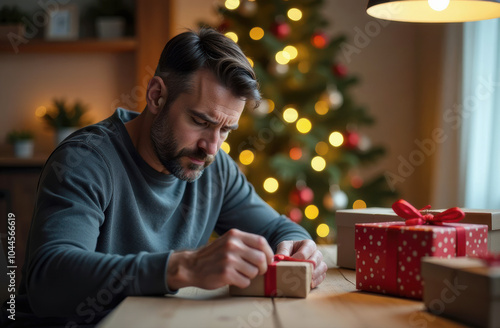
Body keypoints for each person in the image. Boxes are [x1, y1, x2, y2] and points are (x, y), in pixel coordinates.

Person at [2, 28, 327, 327]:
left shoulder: (215, 167)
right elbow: (50, 279)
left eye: (225, 130)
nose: (211, 147)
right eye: (200, 121)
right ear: (157, 96)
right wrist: (182, 267)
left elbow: (276, 228)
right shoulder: (85, 160)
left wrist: (302, 246)